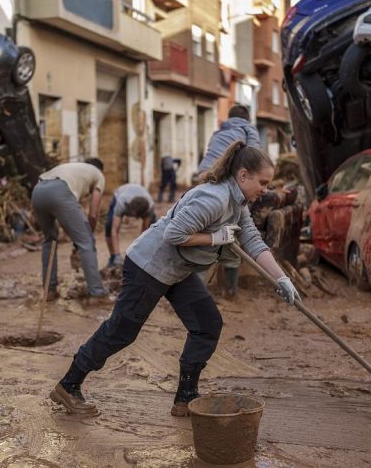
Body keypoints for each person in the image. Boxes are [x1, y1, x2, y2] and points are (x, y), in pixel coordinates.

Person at [50, 141, 300, 416]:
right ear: (243, 175)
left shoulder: (237, 202)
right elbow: (174, 234)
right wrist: (214, 238)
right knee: (121, 332)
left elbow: (252, 240)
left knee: (207, 324)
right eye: (262, 182)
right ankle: (69, 385)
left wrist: (281, 278)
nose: (265, 190)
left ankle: (185, 398)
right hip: (149, 265)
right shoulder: (214, 198)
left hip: (179, 270)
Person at [197, 104, 262, 298]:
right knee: (233, 233)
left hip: (203, 179)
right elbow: (255, 160)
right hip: (225, 182)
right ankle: (231, 290)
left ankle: (197, 290)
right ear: (247, 118)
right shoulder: (249, 129)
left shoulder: (218, 132)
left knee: (201, 234)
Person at [31, 158, 113, 305]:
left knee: (50, 240)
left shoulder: (72, 168)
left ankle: (48, 291)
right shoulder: (98, 175)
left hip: (37, 191)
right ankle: (97, 293)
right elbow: (93, 214)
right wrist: (87, 236)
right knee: (86, 241)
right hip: (60, 190)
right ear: (100, 169)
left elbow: (67, 214)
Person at [105, 183, 156, 268]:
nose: (135, 219)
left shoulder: (150, 207)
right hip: (120, 193)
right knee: (109, 225)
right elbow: (114, 230)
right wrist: (117, 254)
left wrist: (138, 255)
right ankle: (113, 257)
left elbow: (144, 233)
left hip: (144, 203)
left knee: (154, 230)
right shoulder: (121, 203)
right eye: (134, 215)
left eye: (137, 217)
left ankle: (150, 258)